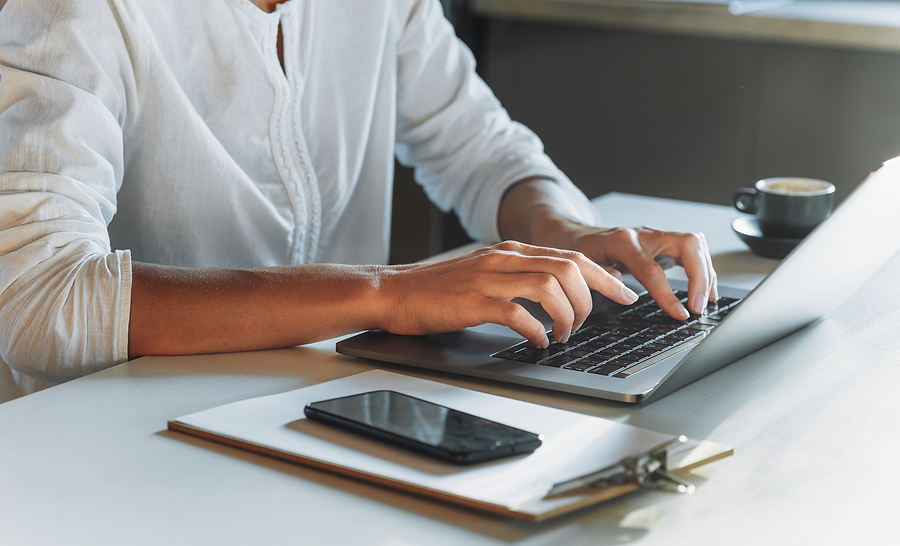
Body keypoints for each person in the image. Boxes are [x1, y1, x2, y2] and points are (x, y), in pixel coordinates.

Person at [0, 0, 717, 390]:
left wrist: (561, 228)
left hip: (328, 408)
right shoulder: (74, 11)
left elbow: (479, 147)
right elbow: (34, 298)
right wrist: (386, 293)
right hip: (116, 439)